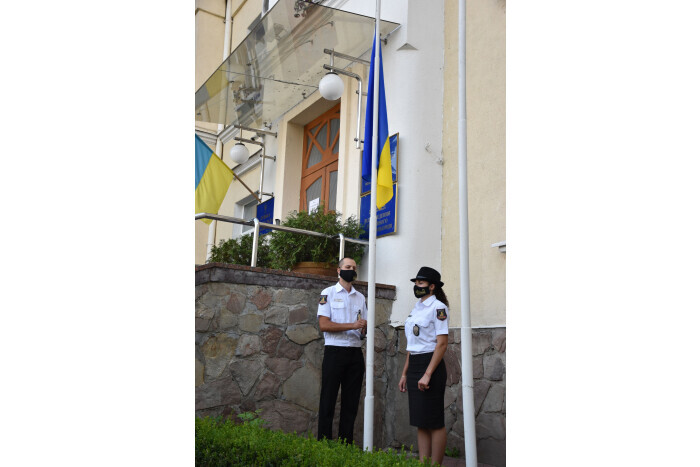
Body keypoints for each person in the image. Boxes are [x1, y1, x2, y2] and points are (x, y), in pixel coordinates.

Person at [398, 266, 450, 465]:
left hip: (431, 365)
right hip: (415, 364)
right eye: (416, 283)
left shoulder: (438, 308)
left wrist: (428, 374)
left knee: (434, 422)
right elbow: (412, 346)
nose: (417, 286)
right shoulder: (416, 308)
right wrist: (404, 374)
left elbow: (442, 344)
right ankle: (423, 463)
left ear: (432, 286)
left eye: (420, 283)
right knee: (421, 421)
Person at [317, 257, 367, 445]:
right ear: (338, 270)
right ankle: (323, 444)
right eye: (347, 267)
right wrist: (352, 325)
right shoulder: (327, 293)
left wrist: (363, 327)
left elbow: (364, 326)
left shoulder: (360, 297)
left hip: (354, 353)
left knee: (351, 403)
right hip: (334, 351)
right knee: (328, 399)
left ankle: (345, 447)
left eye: (353, 268)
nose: (351, 270)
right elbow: (324, 325)